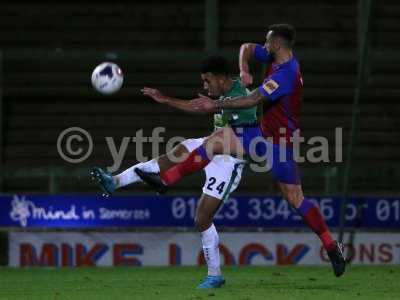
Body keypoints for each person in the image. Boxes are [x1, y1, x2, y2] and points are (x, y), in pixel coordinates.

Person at [135, 24, 346, 277]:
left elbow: (253, 99)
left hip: (279, 142)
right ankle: (165, 180)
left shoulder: (287, 74)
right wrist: (244, 68)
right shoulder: (274, 57)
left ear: (277, 45)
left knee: (295, 199)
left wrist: (215, 104)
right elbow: (245, 48)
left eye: (267, 43)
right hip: (259, 133)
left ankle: (331, 247)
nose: (264, 46)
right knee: (214, 142)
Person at [90, 55, 257, 288]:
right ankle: (114, 181)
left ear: (220, 78)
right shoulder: (223, 93)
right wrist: (165, 100)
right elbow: (198, 107)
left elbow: (243, 139)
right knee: (167, 157)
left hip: (228, 162)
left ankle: (215, 275)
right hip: (208, 145)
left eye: (208, 81)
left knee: (202, 218)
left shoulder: (241, 99)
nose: (205, 86)